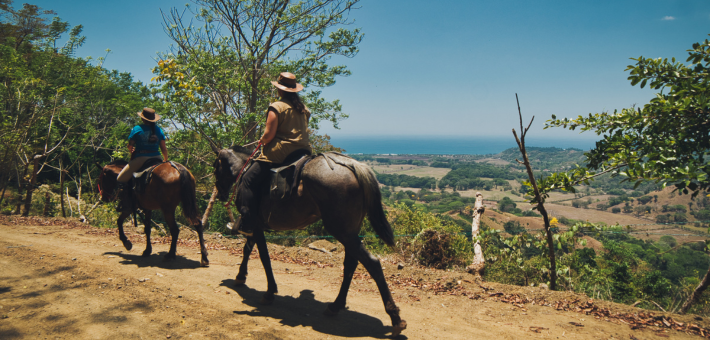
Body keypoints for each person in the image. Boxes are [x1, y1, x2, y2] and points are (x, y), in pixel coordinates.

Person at [236, 72, 311, 236]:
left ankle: (247, 223)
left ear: (280, 90)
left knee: (248, 180)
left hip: (281, 153)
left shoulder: (276, 107)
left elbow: (269, 136)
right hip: (304, 152)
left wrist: (262, 140)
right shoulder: (304, 109)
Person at [115, 107, 169, 211]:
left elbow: (130, 146)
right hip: (157, 157)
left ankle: (126, 203)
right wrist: (165, 160)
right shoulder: (159, 130)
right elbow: (163, 148)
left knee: (120, 179)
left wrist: (132, 149)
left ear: (142, 119)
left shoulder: (137, 129)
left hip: (141, 158)